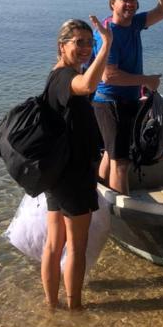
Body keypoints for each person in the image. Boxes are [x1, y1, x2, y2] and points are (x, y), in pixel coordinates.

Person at [42, 16, 112, 310]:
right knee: (76, 247)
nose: (85, 48)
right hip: (72, 175)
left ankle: (51, 306)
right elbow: (86, 84)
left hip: (57, 173)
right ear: (62, 46)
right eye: (78, 42)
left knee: (54, 243)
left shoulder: (55, 76)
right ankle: (75, 309)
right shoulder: (65, 78)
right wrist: (106, 44)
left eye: (90, 42)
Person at [93, 0, 163, 195]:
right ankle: (123, 211)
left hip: (128, 100)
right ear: (112, 4)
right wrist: (146, 80)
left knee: (111, 153)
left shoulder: (135, 23)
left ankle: (102, 201)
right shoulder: (108, 33)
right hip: (109, 102)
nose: (130, 5)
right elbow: (109, 75)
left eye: (134, 0)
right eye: (124, 0)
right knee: (122, 162)